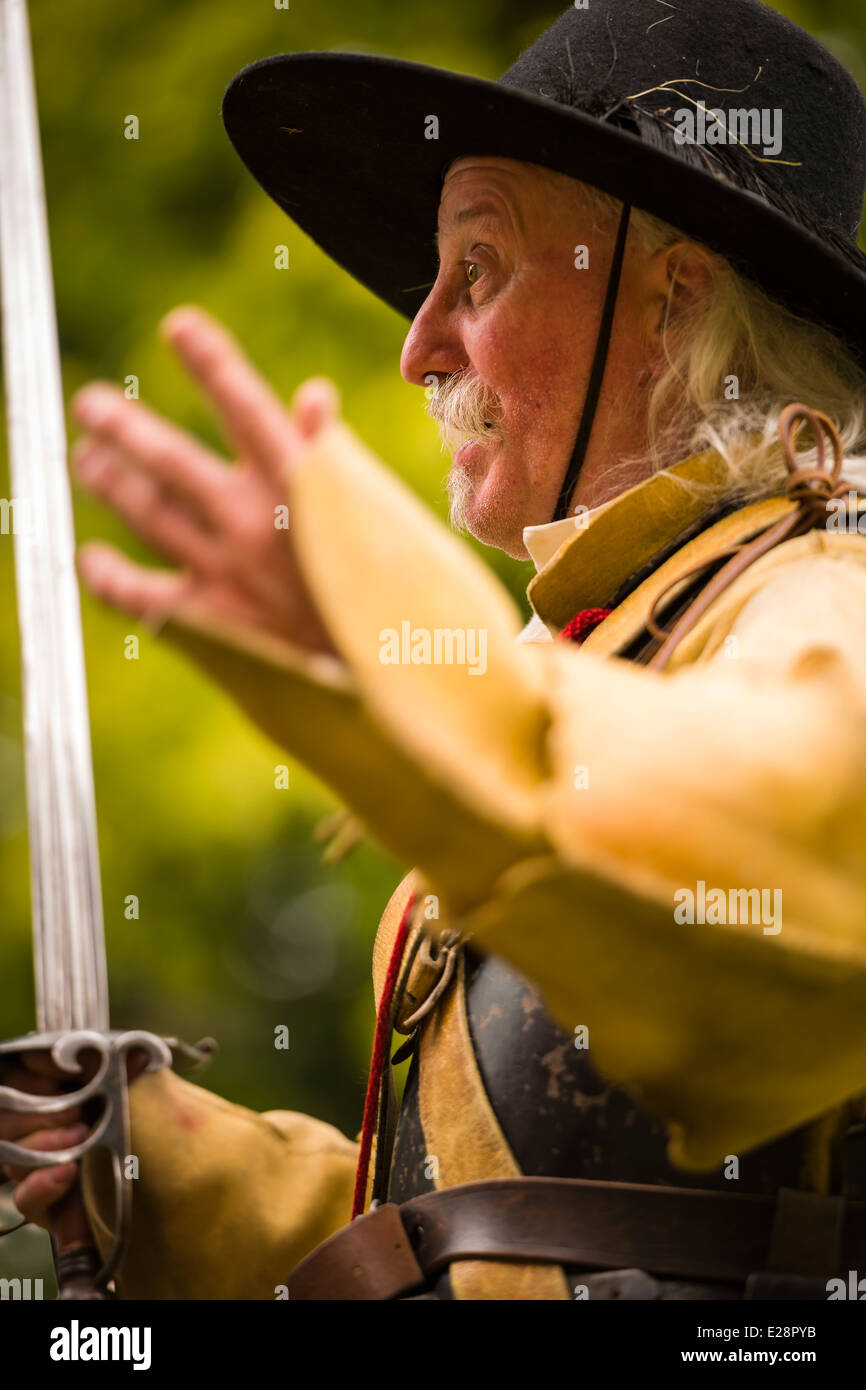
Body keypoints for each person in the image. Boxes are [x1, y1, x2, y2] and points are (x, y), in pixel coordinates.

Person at [5, 0, 866, 1300]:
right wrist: (172, 1172)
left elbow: (769, 901)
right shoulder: (612, 646)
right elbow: (501, 1236)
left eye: (478, 270)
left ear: (672, 297)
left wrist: (405, 665)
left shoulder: (824, 585)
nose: (416, 348)